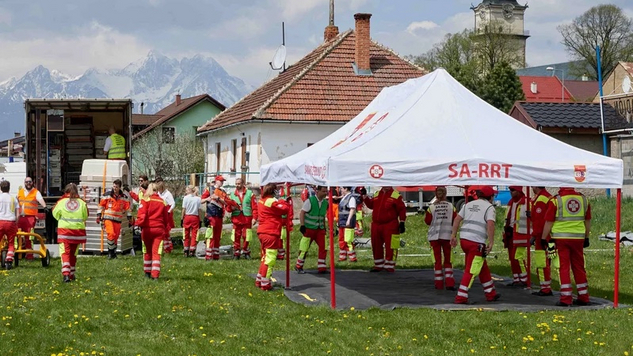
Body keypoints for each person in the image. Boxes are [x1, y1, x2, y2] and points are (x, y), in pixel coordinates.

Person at [541, 187, 591, 307]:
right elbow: (588, 220)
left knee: (564, 267)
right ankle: (583, 296)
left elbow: (549, 222)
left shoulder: (556, 201)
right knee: (579, 267)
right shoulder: (584, 200)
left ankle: (566, 298)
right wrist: (587, 237)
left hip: (561, 238)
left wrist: (544, 238)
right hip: (578, 238)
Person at [450, 186, 500, 304]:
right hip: (476, 242)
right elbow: (490, 224)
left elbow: (457, 219)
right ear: (490, 197)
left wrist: (453, 235)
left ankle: (490, 293)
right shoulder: (489, 207)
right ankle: (461, 297)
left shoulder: (468, 204)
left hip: (464, 240)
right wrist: (491, 242)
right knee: (471, 270)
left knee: (482, 266)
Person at [361, 186, 406, 272]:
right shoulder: (377, 193)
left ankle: (389, 266)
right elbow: (371, 205)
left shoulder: (396, 195)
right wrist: (365, 197)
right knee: (376, 245)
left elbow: (402, 209)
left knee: (391, 246)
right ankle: (378, 265)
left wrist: (402, 222)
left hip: (390, 224)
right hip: (376, 225)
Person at [255, 183, 291, 291]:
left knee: (265, 257)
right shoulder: (271, 201)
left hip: (263, 231)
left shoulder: (262, 200)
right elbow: (285, 209)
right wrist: (282, 200)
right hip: (270, 232)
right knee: (270, 259)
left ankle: (259, 279)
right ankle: (265, 284)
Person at [52, 183, 89, 282]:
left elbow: (55, 213)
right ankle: (72, 274)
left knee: (65, 253)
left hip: (65, 231)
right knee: (73, 253)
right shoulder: (82, 202)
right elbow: (85, 216)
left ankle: (66, 274)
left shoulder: (61, 202)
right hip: (78, 232)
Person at [135, 183, 170, 280]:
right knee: (156, 252)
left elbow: (142, 215)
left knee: (147, 251)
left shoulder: (145, 200)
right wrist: (166, 228)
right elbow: (166, 218)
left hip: (147, 229)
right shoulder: (163, 201)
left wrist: (137, 224)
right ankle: (155, 275)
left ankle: (147, 272)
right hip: (159, 229)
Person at [424, 186, 456, 290]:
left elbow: (427, 221)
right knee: (448, 260)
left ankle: (438, 283)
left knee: (437, 260)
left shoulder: (431, 207)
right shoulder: (451, 207)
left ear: (436, 194)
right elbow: (455, 220)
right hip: (447, 236)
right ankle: (450, 283)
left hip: (434, 237)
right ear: (446, 193)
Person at [201, 175, 235, 260]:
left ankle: (216, 255)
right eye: (220, 181)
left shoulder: (223, 191)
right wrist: (207, 199)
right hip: (211, 215)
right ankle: (208, 255)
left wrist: (218, 198)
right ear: (216, 181)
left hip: (219, 215)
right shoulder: (209, 189)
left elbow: (226, 202)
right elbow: (201, 200)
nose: (222, 182)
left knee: (217, 236)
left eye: (222, 181)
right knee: (210, 235)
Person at [296, 185, 329, 273]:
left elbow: (322, 217)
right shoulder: (310, 201)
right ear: (317, 191)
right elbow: (302, 213)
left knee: (324, 247)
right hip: (309, 229)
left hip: (320, 229)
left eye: (326, 191)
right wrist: (302, 225)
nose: (325, 193)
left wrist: (325, 228)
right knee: (304, 248)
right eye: (323, 191)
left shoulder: (325, 203)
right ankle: (299, 265)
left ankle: (322, 267)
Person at [96, 179, 132, 259]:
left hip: (118, 220)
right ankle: (110, 253)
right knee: (111, 234)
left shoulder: (124, 197)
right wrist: (98, 216)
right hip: (108, 219)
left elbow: (128, 208)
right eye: (114, 186)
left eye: (116, 187)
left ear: (120, 187)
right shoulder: (107, 195)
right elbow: (101, 205)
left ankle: (113, 253)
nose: (114, 188)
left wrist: (130, 219)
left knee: (115, 237)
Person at [503, 186, 530, 287]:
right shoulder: (511, 202)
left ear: (519, 191)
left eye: (513, 190)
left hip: (522, 233)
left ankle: (524, 279)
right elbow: (507, 217)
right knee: (512, 257)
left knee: (518, 256)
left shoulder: (527, 202)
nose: (511, 192)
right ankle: (516, 278)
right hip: (511, 233)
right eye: (510, 190)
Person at [17, 176, 47, 260]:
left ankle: (29, 255)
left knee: (28, 236)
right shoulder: (20, 192)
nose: (28, 183)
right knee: (18, 235)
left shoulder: (35, 192)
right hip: (20, 217)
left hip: (30, 217)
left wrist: (44, 207)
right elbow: (16, 202)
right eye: (26, 182)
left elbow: (40, 199)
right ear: (24, 183)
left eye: (30, 182)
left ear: (32, 182)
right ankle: (18, 253)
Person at [227, 178, 258, 259]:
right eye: (236, 183)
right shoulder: (232, 194)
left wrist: (254, 218)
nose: (237, 185)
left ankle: (246, 252)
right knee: (236, 236)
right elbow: (227, 207)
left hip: (247, 218)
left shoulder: (250, 194)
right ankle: (236, 252)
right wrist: (231, 208)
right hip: (236, 218)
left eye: (239, 183)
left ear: (243, 184)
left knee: (246, 235)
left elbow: (255, 207)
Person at [530, 186, 553, 296]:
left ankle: (545, 288)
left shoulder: (541, 199)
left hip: (542, 237)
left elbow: (539, 222)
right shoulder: (547, 197)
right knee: (548, 262)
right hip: (550, 235)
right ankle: (546, 286)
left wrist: (534, 236)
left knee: (542, 263)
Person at [0, 181, 19, 270]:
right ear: (9, 188)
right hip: (10, 222)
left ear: (1, 188)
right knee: (11, 243)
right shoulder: (13, 199)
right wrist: (16, 222)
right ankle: (9, 259)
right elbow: (18, 213)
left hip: (0, 221)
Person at [337, 186, 358, 262]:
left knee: (348, 240)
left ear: (346, 189)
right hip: (342, 221)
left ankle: (352, 257)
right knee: (342, 239)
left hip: (347, 222)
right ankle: (342, 256)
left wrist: (348, 220)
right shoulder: (344, 197)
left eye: (342, 188)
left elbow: (352, 209)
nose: (340, 190)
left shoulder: (351, 198)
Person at [155, 179, 175, 254]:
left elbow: (173, 203)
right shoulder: (159, 194)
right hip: (161, 212)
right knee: (163, 231)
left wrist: (168, 211)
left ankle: (167, 247)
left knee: (166, 231)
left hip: (167, 211)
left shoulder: (167, 194)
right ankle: (166, 246)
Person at [181, 186, 201, 257]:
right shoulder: (198, 199)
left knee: (186, 233)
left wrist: (181, 218)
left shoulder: (185, 198)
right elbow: (199, 210)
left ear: (189, 190)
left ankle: (186, 250)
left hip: (187, 216)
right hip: (195, 217)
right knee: (194, 234)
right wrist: (200, 220)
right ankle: (192, 250)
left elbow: (184, 209)